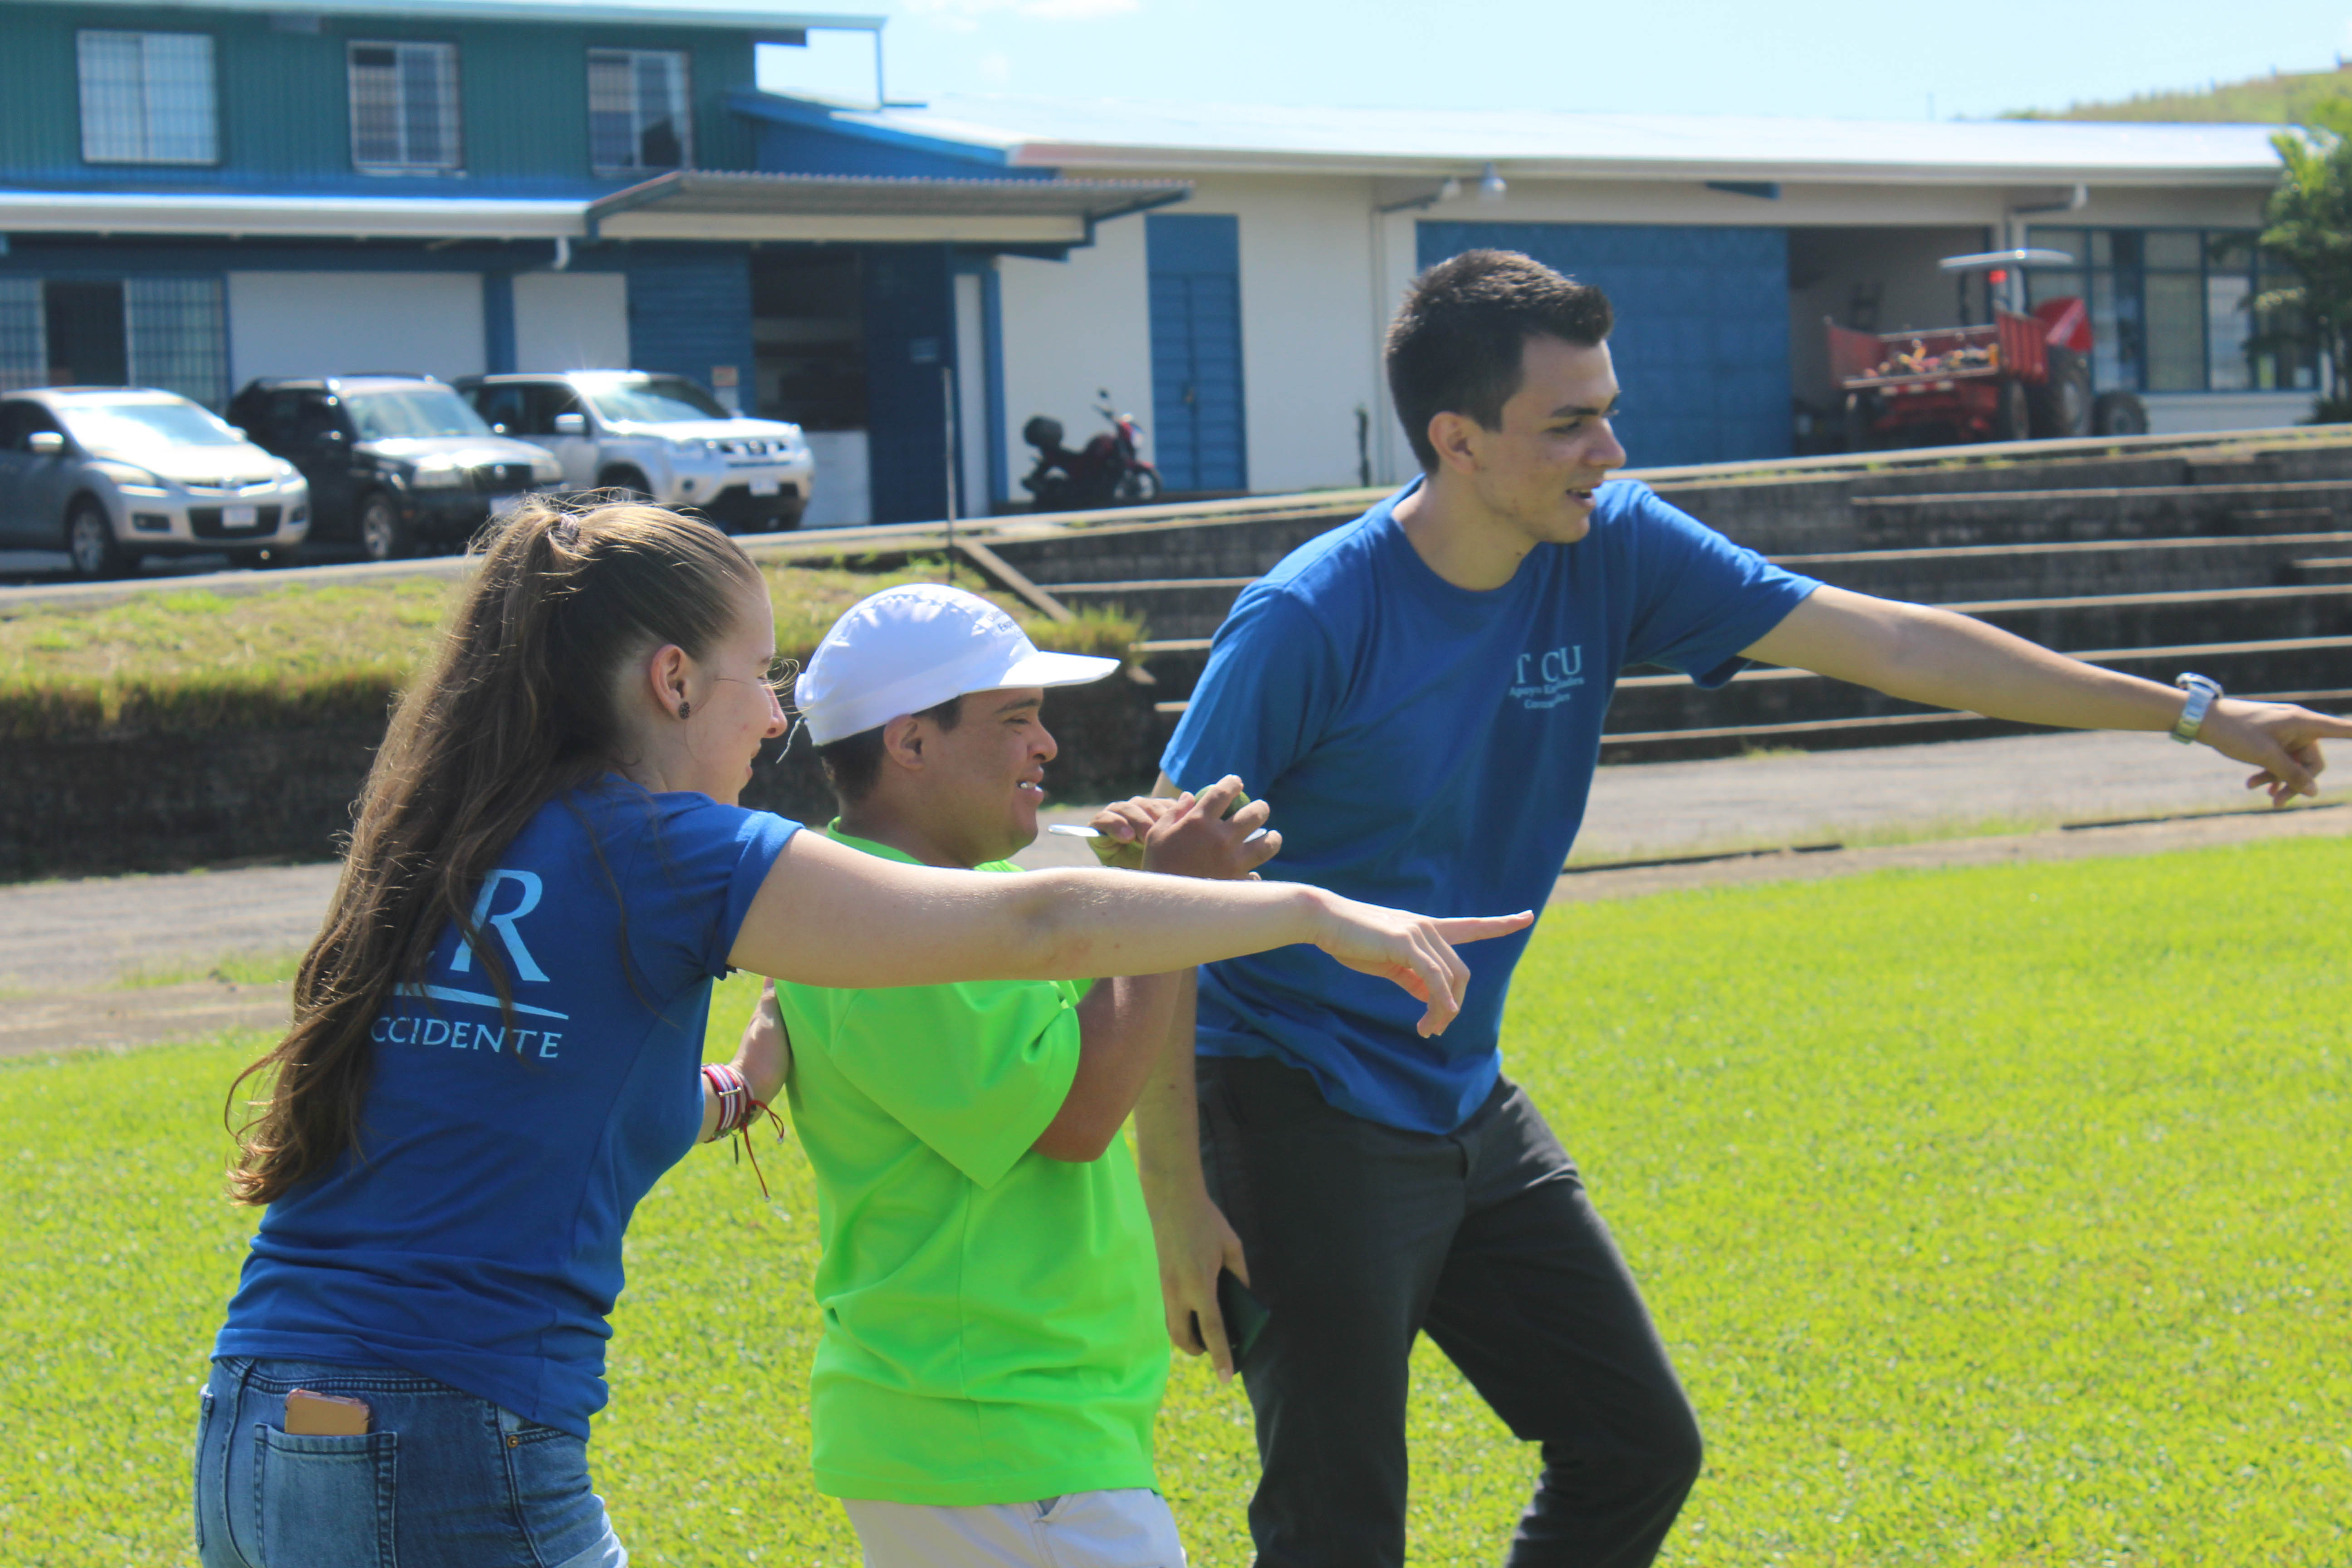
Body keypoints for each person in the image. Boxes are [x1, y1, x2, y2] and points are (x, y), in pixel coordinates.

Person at [1138, 249, 2352, 1568]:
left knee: (1634, 1445)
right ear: (1458, 438)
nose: (1610, 446)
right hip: (1292, 1101)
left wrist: (2196, 711)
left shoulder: (1612, 544)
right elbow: (1147, 902)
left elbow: (1891, 642)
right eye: (1570, 423)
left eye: (1608, 407)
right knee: (1338, 1526)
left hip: (1460, 1091)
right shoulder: (1310, 620)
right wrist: (1176, 1193)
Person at [190, 502, 1529, 1568]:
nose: (777, 716)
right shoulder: (669, 848)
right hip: (448, 1437)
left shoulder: (444, 844)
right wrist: (1307, 910)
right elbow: (1032, 930)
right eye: (753, 679)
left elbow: (553, 1086)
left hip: (254, 1428)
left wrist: (748, 1073)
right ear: (669, 682)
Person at [749, 583, 1276, 1567]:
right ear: (909, 744)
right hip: (991, 1433)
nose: (1048, 749)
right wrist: (1166, 902)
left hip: (1003, 1432)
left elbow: (1091, 1030)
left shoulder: (956, 898)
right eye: (1017, 720)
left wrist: (1133, 894)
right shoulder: (887, 931)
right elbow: (1078, 1115)